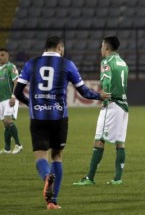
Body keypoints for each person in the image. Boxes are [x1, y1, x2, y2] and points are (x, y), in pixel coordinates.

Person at [14, 36, 110, 210]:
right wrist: (99, 95)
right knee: (57, 156)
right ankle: (53, 201)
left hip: (38, 118)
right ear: (60, 47)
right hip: (59, 118)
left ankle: (46, 177)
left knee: (41, 155)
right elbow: (84, 92)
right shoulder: (67, 64)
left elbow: (18, 91)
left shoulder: (31, 64)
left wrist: (31, 104)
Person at [73, 35, 129, 186]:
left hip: (112, 105)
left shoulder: (107, 62)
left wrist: (104, 95)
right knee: (119, 142)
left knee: (99, 139)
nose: (101, 49)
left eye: (102, 46)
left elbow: (107, 80)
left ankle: (90, 178)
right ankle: (117, 178)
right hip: (123, 105)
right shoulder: (123, 63)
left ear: (107, 47)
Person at [0, 48, 22, 154]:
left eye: (2, 55)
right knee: (5, 124)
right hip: (1, 100)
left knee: (8, 121)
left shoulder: (10, 67)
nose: (0, 57)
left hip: (9, 99)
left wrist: (13, 96)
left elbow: (16, 82)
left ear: (7, 56)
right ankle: (7, 149)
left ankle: (18, 145)